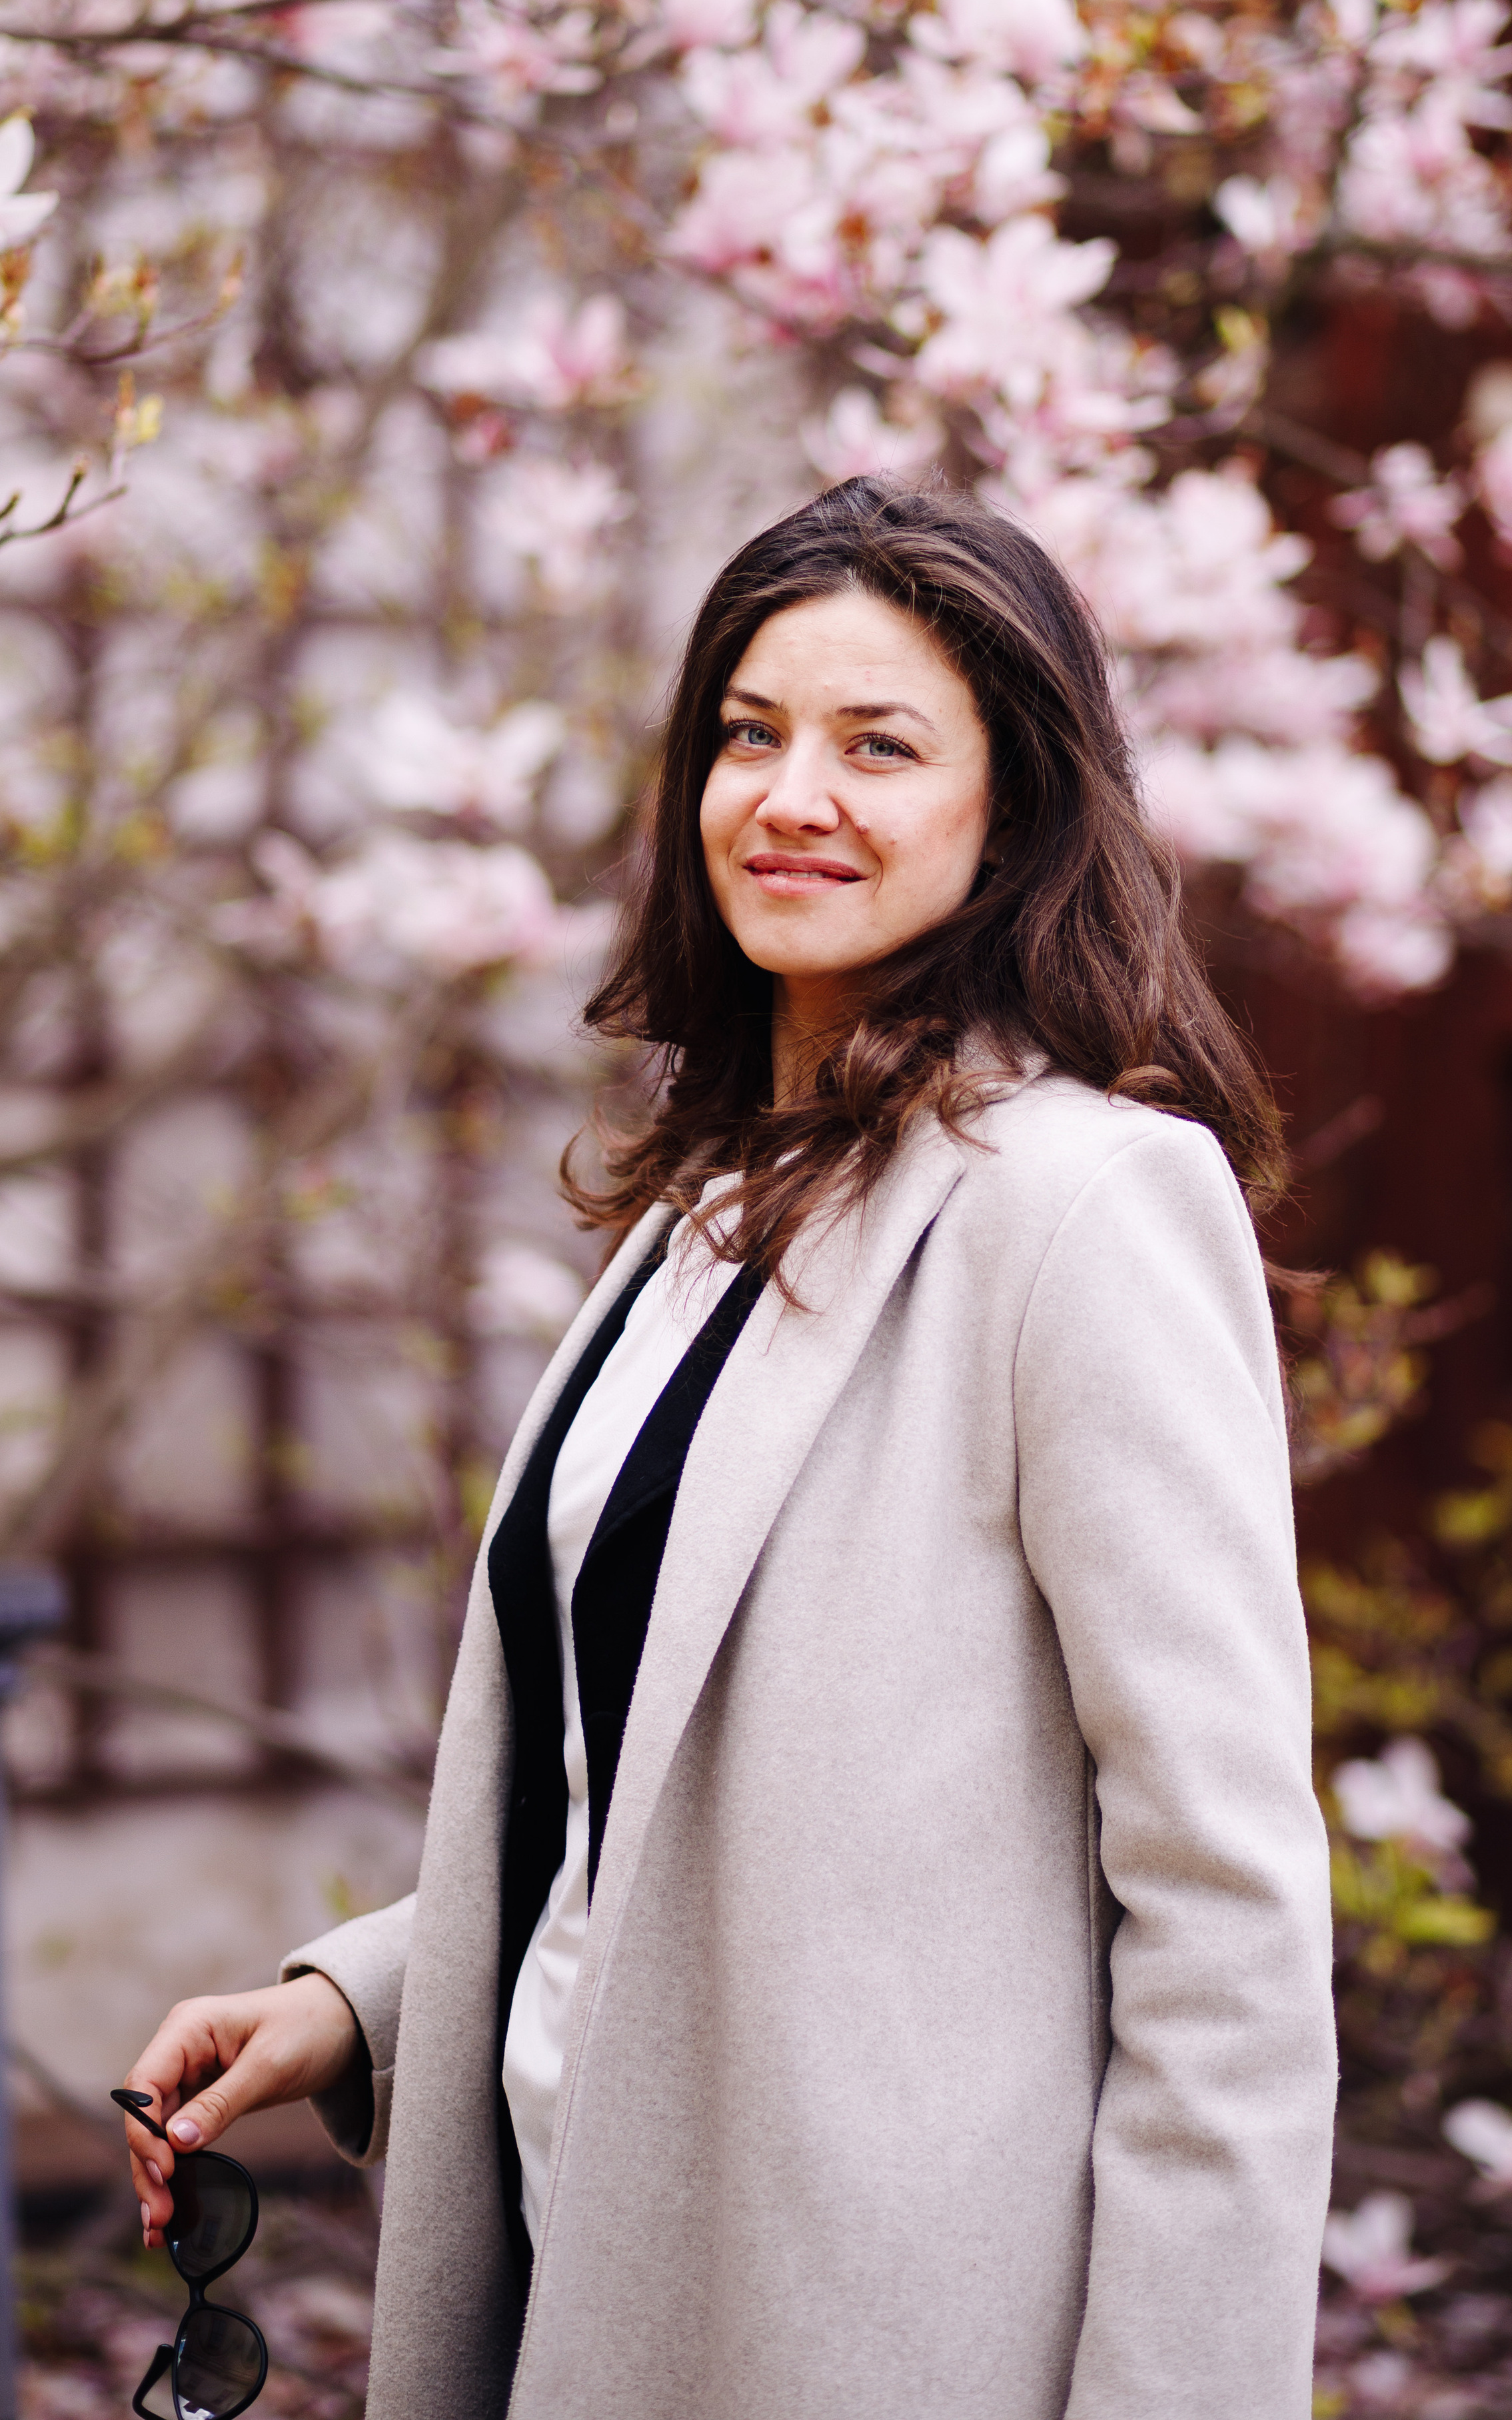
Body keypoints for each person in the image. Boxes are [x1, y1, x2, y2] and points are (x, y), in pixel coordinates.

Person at [123, 477, 1337, 2420]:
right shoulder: (703, 1214)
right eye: (751, 734)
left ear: (1016, 808)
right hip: (579, 2262)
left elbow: (1228, 1920)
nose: (794, 795)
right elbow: (661, 1792)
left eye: (880, 746)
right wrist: (359, 2004)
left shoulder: (1087, 1209)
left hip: (878, 2326)